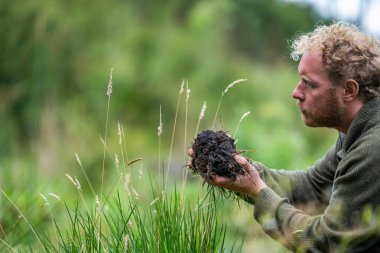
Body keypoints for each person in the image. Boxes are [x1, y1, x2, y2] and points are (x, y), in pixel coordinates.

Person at [188, 21, 380, 253]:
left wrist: (258, 192)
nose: (296, 92)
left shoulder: (373, 148)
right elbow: (313, 186)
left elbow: (328, 244)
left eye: (309, 84)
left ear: (348, 91)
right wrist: (240, 170)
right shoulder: (356, 129)